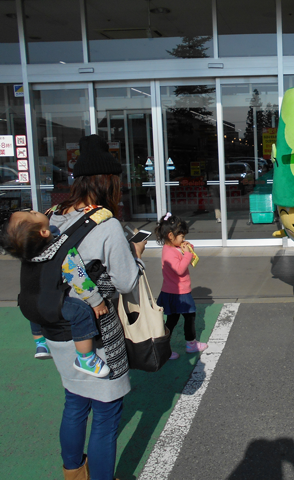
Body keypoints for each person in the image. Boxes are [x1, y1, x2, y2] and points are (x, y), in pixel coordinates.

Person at [45, 134, 145, 480]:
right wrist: (136, 256)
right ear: (108, 182)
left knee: (74, 401)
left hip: (58, 328)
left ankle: (73, 472)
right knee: (105, 413)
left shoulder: (52, 216)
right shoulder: (107, 225)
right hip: (97, 332)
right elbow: (126, 282)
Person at [1, 210, 111, 377]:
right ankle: (85, 358)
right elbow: (79, 280)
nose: (34, 210)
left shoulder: (27, 253)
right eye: (33, 213)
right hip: (54, 306)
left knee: (35, 306)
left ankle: (40, 343)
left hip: (27, 305)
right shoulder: (62, 252)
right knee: (81, 311)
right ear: (44, 233)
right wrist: (97, 301)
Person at [155, 212, 207, 358]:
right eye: (182, 237)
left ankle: (180, 345)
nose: (184, 239)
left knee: (177, 318)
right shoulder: (169, 253)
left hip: (175, 291)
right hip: (177, 292)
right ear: (171, 236)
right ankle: (177, 346)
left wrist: (188, 248)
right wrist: (188, 255)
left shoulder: (173, 247)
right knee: (181, 318)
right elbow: (179, 269)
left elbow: (184, 254)